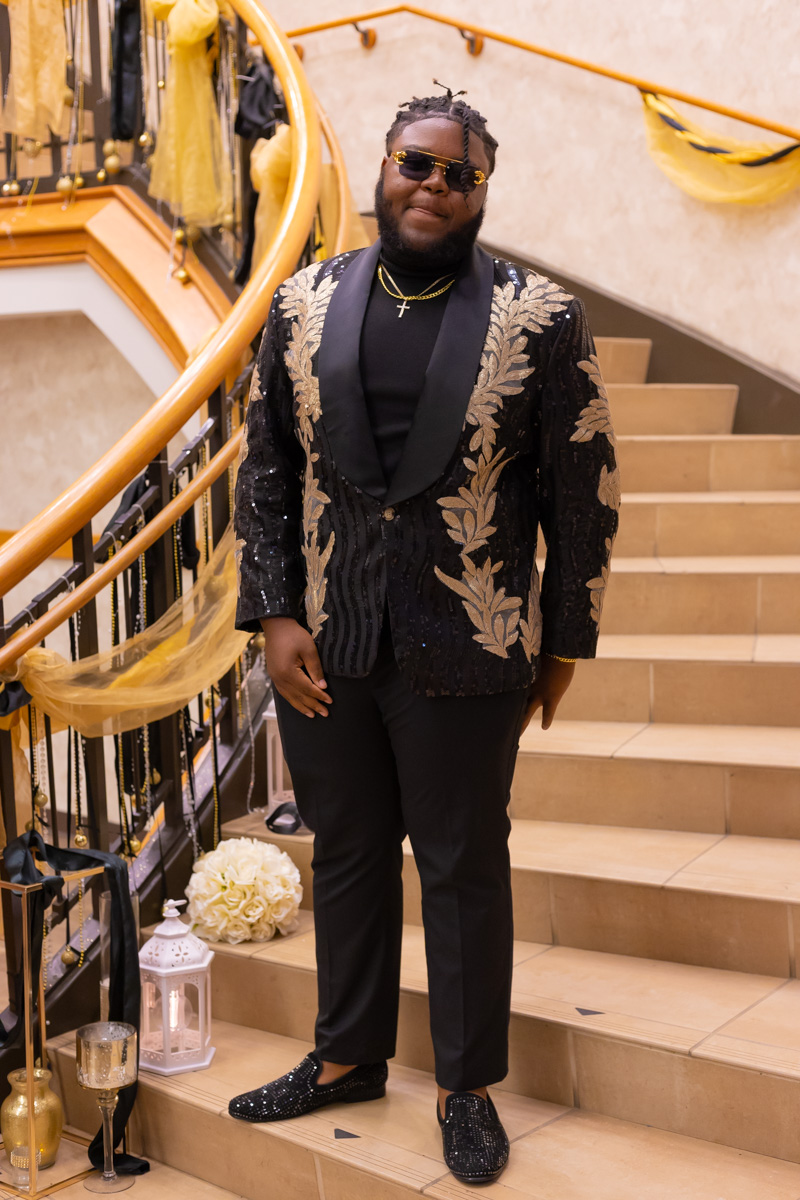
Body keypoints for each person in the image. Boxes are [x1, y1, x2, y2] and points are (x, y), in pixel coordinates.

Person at [230, 85, 619, 1186]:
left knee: (461, 866)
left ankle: (464, 1086)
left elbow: (582, 491)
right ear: (383, 167)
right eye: (417, 163)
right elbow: (266, 470)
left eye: (460, 173)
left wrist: (563, 641)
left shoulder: (541, 316)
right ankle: (346, 1055)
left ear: (481, 191)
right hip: (329, 641)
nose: (434, 185)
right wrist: (274, 613)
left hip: (473, 637)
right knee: (349, 852)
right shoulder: (302, 303)